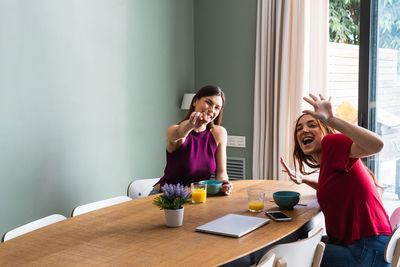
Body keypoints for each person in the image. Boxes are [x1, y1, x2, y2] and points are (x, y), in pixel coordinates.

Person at [280, 93, 392, 267]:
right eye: (299, 129)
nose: (304, 131)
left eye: (312, 124)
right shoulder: (331, 162)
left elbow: (377, 145)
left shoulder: (331, 143)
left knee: (285, 254)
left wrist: (331, 119)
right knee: (298, 246)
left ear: (325, 130)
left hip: (365, 249)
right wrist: (303, 179)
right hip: (373, 246)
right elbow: (334, 190)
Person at [151, 85, 233, 195]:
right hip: (166, 198)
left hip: (196, 197)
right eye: (208, 102)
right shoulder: (175, 130)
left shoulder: (219, 133)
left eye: (217, 107)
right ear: (195, 101)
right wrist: (191, 124)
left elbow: (221, 173)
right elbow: (179, 132)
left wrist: (224, 184)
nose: (212, 110)